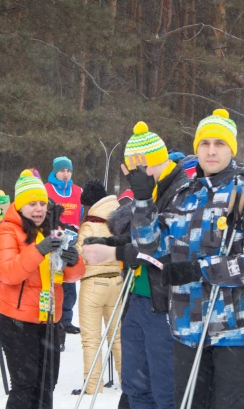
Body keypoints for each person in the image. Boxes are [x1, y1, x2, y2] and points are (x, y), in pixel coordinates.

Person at [130, 109, 244, 408]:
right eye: (205, 143)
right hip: (187, 329)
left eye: (219, 143)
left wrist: (201, 270)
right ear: (196, 148)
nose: (211, 150)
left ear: (231, 149)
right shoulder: (184, 194)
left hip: (236, 330)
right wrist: (143, 200)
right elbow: (150, 247)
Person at [83, 122, 187, 409]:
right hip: (136, 297)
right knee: (136, 386)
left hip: (165, 303)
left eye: (135, 171)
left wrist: (112, 253)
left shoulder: (181, 191)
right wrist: (106, 245)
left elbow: (158, 248)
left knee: (164, 390)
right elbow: (128, 231)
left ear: (149, 163)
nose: (131, 177)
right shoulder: (149, 189)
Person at [0, 170, 85, 409]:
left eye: (42, 203)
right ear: (21, 206)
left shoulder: (53, 229)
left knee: (47, 384)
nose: (39, 209)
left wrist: (73, 260)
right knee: (25, 384)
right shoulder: (7, 230)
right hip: (16, 318)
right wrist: (39, 250)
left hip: (49, 318)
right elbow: (8, 273)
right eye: (32, 203)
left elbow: (72, 276)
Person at [73, 179, 123, 396]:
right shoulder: (121, 217)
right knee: (118, 337)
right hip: (118, 282)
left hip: (94, 283)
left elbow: (79, 257)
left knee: (92, 338)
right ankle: (129, 382)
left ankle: (93, 386)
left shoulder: (90, 224)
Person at [44, 156, 83, 342]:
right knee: (52, 279)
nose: (65, 174)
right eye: (62, 171)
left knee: (70, 281)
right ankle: (52, 319)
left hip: (72, 239)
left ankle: (66, 319)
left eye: (68, 171)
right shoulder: (47, 189)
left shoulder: (77, 191)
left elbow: (80, 215)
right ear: (55, 171)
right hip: (53, 237)